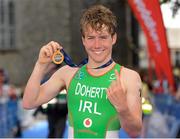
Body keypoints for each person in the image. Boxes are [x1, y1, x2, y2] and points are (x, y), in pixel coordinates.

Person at [23, 4, 142, 138]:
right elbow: (28, 102)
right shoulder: (68, 73)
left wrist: (122, 107)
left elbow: (135, 132)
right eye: (91, 38)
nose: (97, 45)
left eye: (103, 37)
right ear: (83, 40)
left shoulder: (128, 77)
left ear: (113, 38)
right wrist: (40, 65)